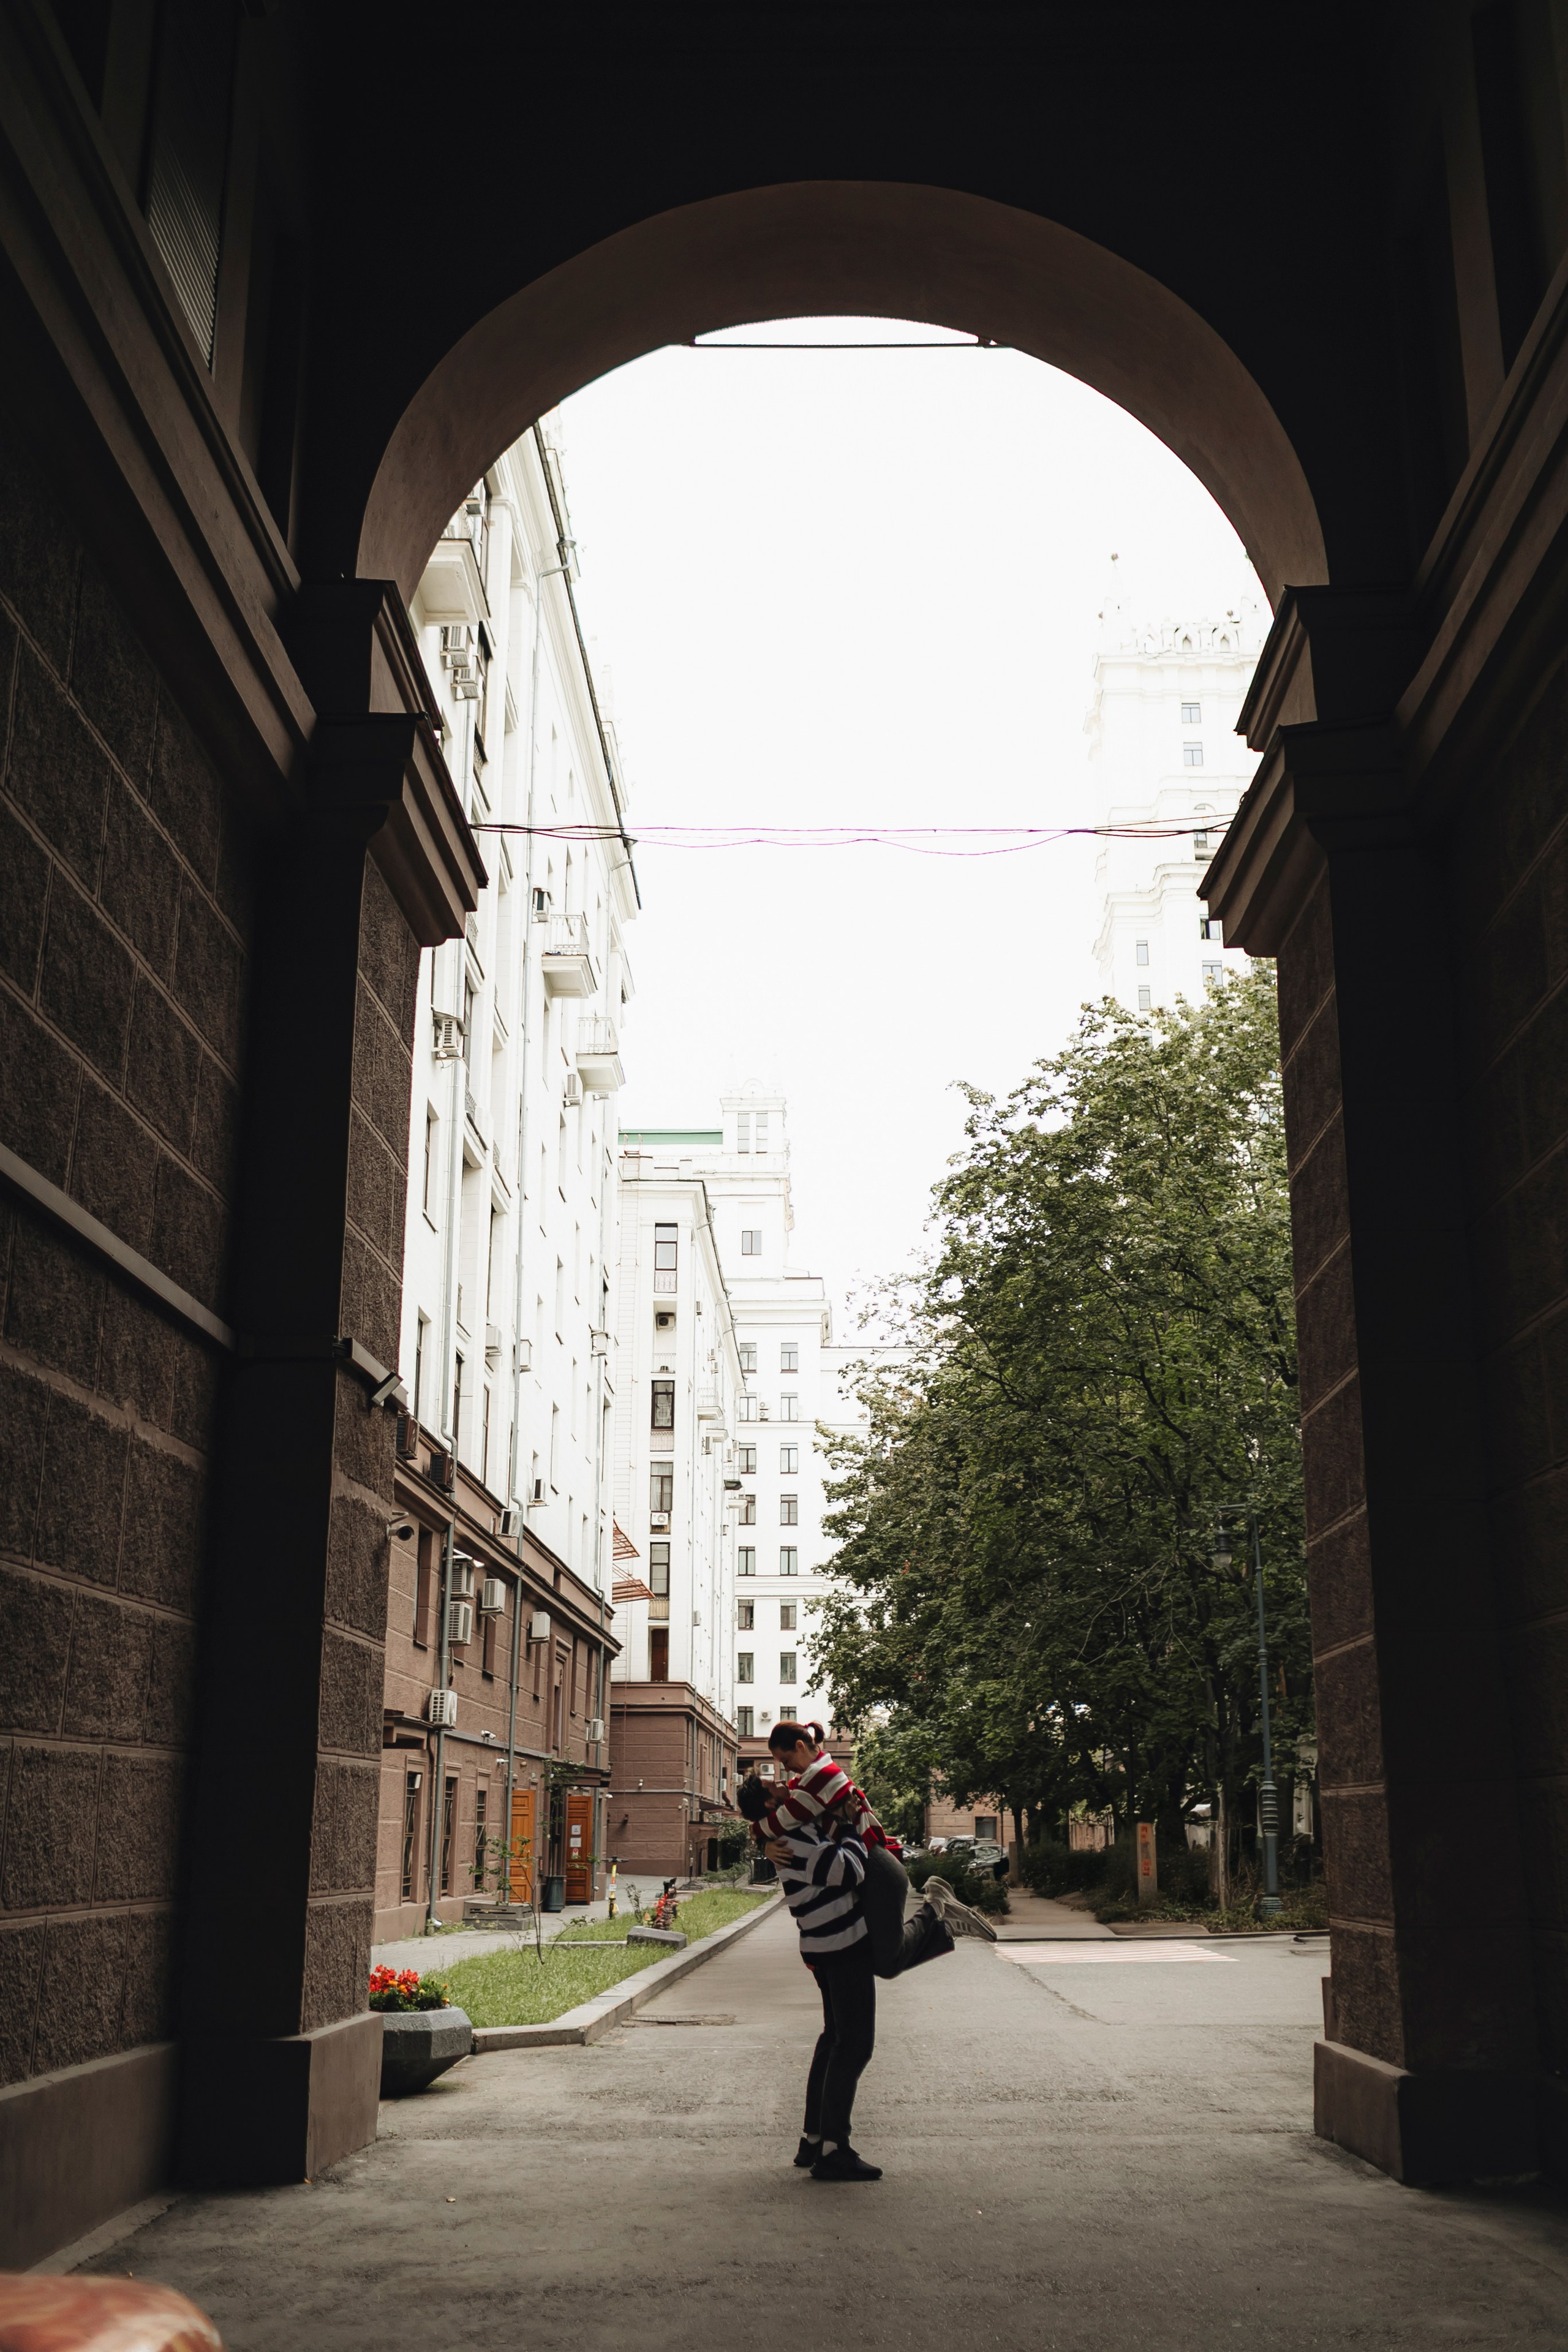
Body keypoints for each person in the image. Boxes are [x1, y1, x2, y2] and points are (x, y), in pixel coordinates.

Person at [761, 1721, 998, 1954]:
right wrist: (766, 1845)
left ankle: (938, 1911)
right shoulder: (812, 1777)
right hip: (872, 1862)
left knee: (887, 1958)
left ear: (801, 1747)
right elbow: (789, 1807)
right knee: (879, 1956)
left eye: (786, 1760)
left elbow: (782, 1821)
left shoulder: (821, 1777)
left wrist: (758, 1835)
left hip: (874, 1865)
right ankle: (940, 1917)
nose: (787, 1770)